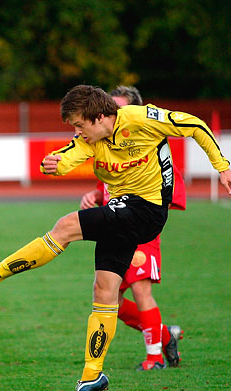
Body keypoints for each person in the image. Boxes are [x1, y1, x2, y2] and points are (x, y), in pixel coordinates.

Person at [0, 85, 231, 391]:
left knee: (67, 225)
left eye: (80, 124)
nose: (77, 132)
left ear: (99, 116)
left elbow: (194, 125)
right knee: (104, 291)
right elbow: (70, 156)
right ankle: (92, 376)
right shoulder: (90, 140)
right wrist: (53, 163)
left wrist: (223, 168)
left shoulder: (140, 119)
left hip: (146, 210)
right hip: (122, 210)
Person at [79, 85, 184, 371]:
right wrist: (96, 196)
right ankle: (165, 334)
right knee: (107, 295)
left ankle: (154, 358)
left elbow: (160, 185)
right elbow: (113, 185)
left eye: (118, 108)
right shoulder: (109, 142)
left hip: (140, 226)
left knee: (141, 288)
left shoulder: (145, 139)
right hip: (115, 223)